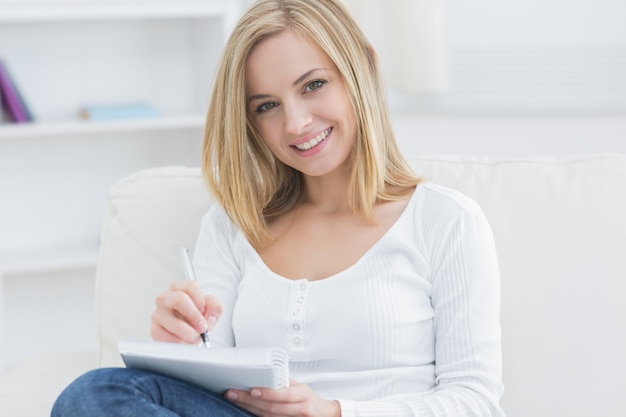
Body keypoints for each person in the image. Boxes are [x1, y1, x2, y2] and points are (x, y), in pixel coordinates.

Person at [52, 0, 505, 416]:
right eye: (267, 105)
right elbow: (210, 384)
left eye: (313, 85)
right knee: (96, 393)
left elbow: (476, 401)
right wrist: (183, 343)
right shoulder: (234, 225)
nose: (295, 123)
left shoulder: (445, 220)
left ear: (363, 69)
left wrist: (332, 412)